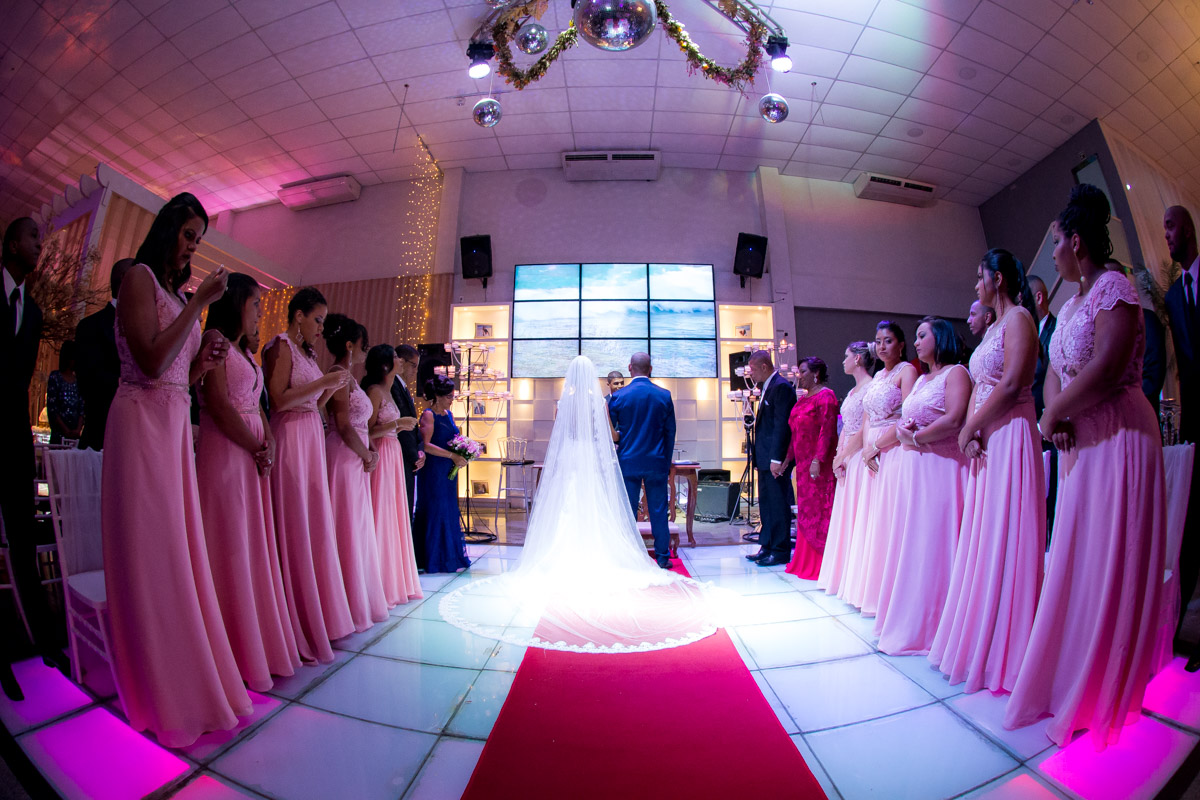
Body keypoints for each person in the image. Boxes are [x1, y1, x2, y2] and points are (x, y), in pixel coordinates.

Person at [1006, 185, 1166, 748]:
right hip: (1082, 442)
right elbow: (1055, 369)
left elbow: (1107, 366)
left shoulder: (1116, 289)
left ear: (1076, 241)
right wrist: (1058, 409)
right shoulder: (1073, 303)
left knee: (1109, 557)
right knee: (1077, 555)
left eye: (1055, 243)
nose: (1051, 254)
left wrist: (1053, 414)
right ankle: (1069, 675)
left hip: (1120, 436)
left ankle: (1103, 689)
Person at [101, 193, 251, 747]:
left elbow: (174, 377)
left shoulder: (172, 292)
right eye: (189, 235)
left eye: (198, 238)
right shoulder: (139, 277)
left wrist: (204, 362)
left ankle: (184, 669)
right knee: (153, 548)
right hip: (138, 424)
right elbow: (146, 361)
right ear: (167, 230)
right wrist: (199, 307)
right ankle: (156, 685)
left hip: (170, 424)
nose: (192, 247)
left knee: (176, 548)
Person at [438, 355, 714, 654]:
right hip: (650, 461)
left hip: (605, 461)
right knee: (656, 510)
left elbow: (604, 435)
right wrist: (663, 457)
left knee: (621, 511)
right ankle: (660, 557)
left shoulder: (611, 398)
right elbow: (650, 433)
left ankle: (617, 550)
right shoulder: (657, 396)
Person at [930, 248, 1045, 694]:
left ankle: (1009, 646)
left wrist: (971, 426)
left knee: (1007, 533)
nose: (975, 287)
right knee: (984, 535)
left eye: (979, 278)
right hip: (986, 439)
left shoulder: (1018, 319)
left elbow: (1015, 383)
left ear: (997, 279)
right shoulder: (995, 326)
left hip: (1012, 435)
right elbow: (982, 387)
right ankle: (983, 630)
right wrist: (974, 431)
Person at [196, 272, 299, 691]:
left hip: (251, 458)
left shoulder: (243, 351)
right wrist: (255, 446)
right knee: (228, 544)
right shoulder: (215, 341)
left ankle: (252, 641)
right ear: (236, 302)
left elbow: (258, 407)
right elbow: (218, 405)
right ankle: (228, 649)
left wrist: (269, 439)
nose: (260, 312)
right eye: (256, 304)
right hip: (225, 456)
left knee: (250, 545)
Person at [263, 287, 355, 663]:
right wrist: (323, 383)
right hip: (288, 435)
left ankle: (315, 612)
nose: (321, 326)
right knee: (294, 521)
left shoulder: (308, 353)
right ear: (298, 315)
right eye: (317, 319)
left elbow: (312, 404)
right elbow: (279, 399)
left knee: (313, 520)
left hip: (310, 434)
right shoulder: (280, 346)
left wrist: (328, 388)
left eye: (322, 320)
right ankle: (293, 616)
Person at [875, 318, 971, 655]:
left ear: (939, 338)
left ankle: (940, 623)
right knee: (915, 542)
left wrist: (915, 436)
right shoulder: (922, 380)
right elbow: (904, 416)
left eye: (921, 335)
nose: (916, 342)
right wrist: (902, 431)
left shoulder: (956, 373)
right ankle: (914, 617)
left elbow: (956, 418)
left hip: (943, 468)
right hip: (916, 469)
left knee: (938, 541)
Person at [0, 217, 55, 701]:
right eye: (34, 238)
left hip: (15, 438)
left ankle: (41, 642)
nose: (40, 246)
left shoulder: (33, 312)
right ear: (13, 242)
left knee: (22, 535)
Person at [841, 322, 917, 614]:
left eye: (888, 340)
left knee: (887, 518)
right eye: (878, 341)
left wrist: (878, 445)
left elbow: (909, 416)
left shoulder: (906, 371)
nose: (882, 346)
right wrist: (863, 449)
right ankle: (868, 588)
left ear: (900, 344)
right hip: (869, 452)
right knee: (872, 519)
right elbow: (865, 419)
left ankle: (889, 593)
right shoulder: (879, 377)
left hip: (892, 450)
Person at [323, 315, 388, 632]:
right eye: (364, 345)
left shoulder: (347, 375)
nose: (366, 351)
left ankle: (356, 598)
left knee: (356, 524)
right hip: (345, 455)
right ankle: (342, 602)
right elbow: (343, 424)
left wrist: (366, 453)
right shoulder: (337, 374)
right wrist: (366, 453)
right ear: (350, 346)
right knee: (345, 522)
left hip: (356, 457)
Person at [1163, 205, 1200, 651]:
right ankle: (1180, 632)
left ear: (1187, 227)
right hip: (1194, 419)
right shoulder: (1173, 296)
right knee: (1192, 521)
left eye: (1170, 226)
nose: (1167, 235)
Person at [363, 344, 422, 607]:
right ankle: (378, 579)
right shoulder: (375, 391)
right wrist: (397, 425)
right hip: (383, 453)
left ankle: (395, 576)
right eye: (397, 358)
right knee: (382, 513)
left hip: (395, 454)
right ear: (387, 363)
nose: (401, 362)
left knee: (396, 514)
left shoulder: (389, 390)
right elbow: (365, 430)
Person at [608, 352, 676, 569]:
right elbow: (670, 433)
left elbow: (613, 434)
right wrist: (666, 463)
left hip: (628, 461)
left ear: (630, 368)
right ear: (651, 369)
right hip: (656, 461)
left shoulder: (619, 397)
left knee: (627, 511)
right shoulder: (664, 395)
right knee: (658, 510)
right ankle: (663, 556)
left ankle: (629, 557)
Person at [816, 342, 873, 597]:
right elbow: (845, 427)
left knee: (859, 513)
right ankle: (844, 574)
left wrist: (845, 455)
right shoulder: (851, 392)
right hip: (846, 455)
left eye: (846, 356)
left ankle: (860, 579)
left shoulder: (870, 387)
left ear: (858, 359)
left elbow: (863, 429)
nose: (843, 361)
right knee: (846, 515)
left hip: (860, 455)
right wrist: (838, 456)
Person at [783, 357, 839, 580]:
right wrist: (787, 460)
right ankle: (804, 560)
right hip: (803, 467)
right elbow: (795, 435)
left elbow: (828, 431)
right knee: (805, 511)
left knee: (821, 510)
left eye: (803, 371)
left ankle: (822, 563)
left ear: (815, 373)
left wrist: (818, 459)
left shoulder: (826, 396)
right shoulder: (802, 400)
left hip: (819, 466)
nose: (799, 375)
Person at [76, 258, 135, 450]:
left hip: (136, 439)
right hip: (100, 436)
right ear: (124, 278)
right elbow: (88, 383)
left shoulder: (147, 329)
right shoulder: (90, 327)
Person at [743, 350, 796, 567]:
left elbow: (782, 426)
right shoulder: (766, 387)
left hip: (774, 459)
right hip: (764, 458)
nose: (750, 375)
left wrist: (776, 458)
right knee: (765, 505)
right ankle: (767, 545)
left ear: (764, 366)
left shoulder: (781, 387)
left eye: (753, 370)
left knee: (778, 504)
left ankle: (780, 550)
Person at [414, 374, 471, 573]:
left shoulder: (449, 414)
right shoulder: (428, 414)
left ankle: (448, 557)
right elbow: (426, 445)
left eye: (452, 396)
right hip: (433, 470)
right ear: (437, 396)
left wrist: (462, 452)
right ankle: (430, 559)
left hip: (447, 469)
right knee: (434, 510)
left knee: (448, 509)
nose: (451, 400)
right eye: (448, 397)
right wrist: (452, 455)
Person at [1028, 274, 1058, 539]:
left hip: (1051, 431)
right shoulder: (1025, 335)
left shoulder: (1056, 331)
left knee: (1053, 501)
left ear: (1038, 298)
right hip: (1029, 433)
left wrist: (1042, 424)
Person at [389, 344, 425, 525]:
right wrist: (412, 454)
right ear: (401, 361)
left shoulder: (403, 388)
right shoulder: (391, 386)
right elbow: (402, 427)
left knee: (407, 506)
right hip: (397, 456)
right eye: (414, 365)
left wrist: (420, 450)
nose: (416, 371)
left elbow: (413, 427)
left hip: (409, 457)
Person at [46, 340, 84, 444]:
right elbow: (53, 408)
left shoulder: (78, 381)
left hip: (75, 438)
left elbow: (81, 408)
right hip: (59, 436)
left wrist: (77, 430)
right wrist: (65, 430)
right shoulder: (55, 378)